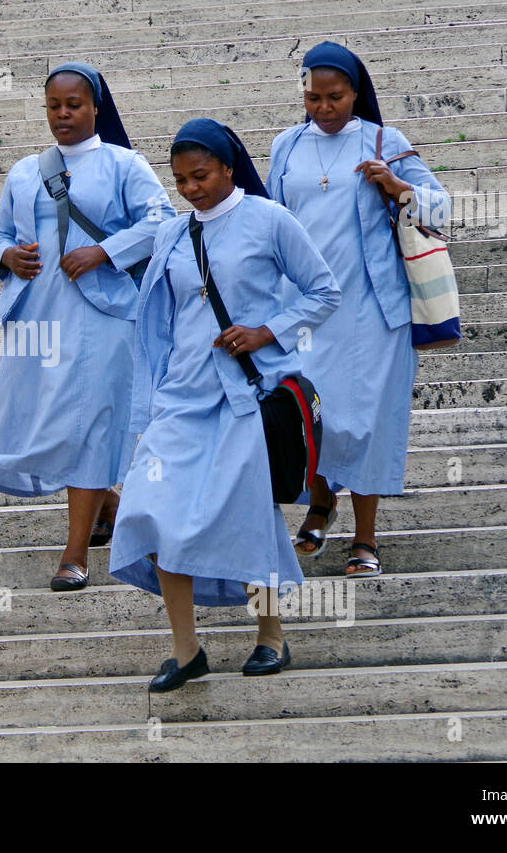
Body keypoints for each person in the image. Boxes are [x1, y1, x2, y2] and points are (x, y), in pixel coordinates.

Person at [108, 118, 340, 691]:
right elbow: (158, 323)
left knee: (249, 516)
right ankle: (186, 651)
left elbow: (324, 290)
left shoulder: (269, 220)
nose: (191, 188)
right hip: (182, 398)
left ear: (229, 167)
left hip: (247, 396)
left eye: (201, 175)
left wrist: (268, 330)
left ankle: (271, 635)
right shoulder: (170, 234)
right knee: (150, 509)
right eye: (181, 180)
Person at [0, 62, 175, 591]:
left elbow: (162, 222)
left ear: (96, 108)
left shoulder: (123, 164)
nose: (63, 115)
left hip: (100, 317)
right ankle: (111, 502)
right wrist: (8, 256)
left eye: (74, 105)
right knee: (53, 419)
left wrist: (103, 251)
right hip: (37, 317)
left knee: (87, 423)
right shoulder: (24, 171)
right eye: (54, 106)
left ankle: (75, 551)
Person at [269, 41, 453, 577]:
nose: (324, 108)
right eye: (314, 97)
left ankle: (365, 538)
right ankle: (321, 506)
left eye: (336, 97)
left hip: (372, 308)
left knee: (368, 420)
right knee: (314, 415)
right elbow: (270, 218)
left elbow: (441, 206)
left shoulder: (382, 140)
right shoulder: (286, 145)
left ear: (356, 92)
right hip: (305, 307)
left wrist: (398, 188)